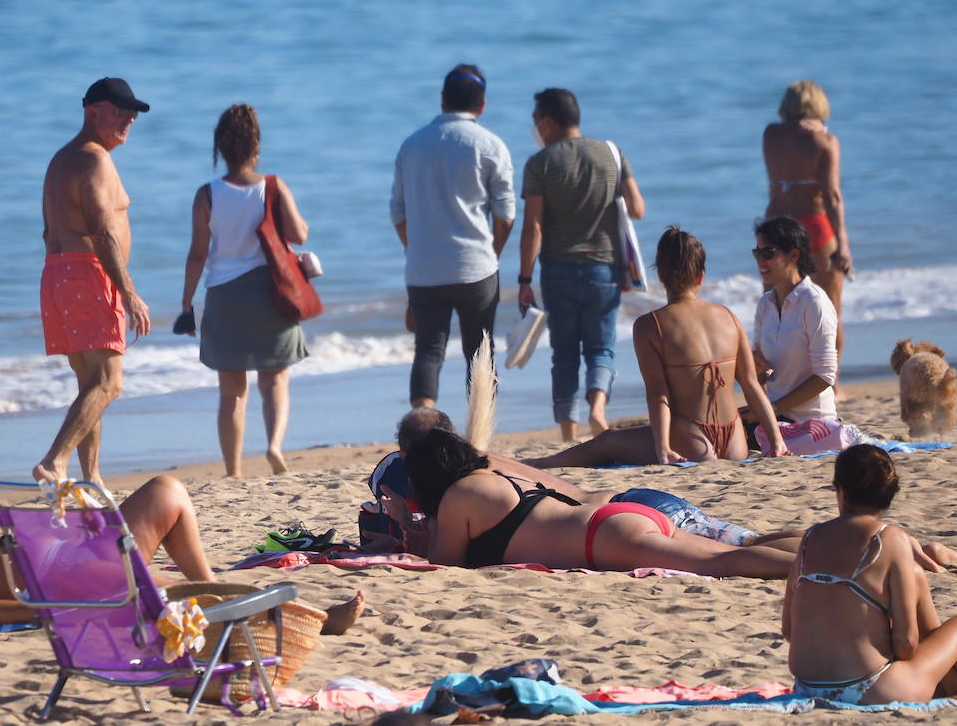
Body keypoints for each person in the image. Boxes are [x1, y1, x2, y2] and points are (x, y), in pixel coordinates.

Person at [0, 473, 367, 634]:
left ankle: (301, 619)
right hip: (69, 580)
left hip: (68, 565)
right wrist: (53, 616)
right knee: (167, 492)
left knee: (184, 558)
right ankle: (302, 619)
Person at [526, 227, 789, 467]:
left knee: (607, 441)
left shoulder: (651, 325)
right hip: (735, 442)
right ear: (700, 276)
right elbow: (752, 385)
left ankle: (538, 465)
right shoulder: (729, 317)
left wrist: (662, 447)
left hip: (691, 439)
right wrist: (776, 441)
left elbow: (658, 394)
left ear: (661, 274)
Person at [399, 426, 795, 577]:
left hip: (604, 539)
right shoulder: (498, 475)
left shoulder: (457, 496)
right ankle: (827, 550)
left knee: (721, 563)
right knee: (737, 548)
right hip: (616, 516)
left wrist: (407, 525)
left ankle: (817, 572)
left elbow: (445, 564)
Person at [33, 77, 153, 487]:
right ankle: (55, 461)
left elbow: (50, 230)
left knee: (90, 385)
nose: (129, 120)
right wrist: (129, 292)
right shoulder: (94, 159)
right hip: (88, 273)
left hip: (59, 275)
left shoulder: (62, 158)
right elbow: (103, 233)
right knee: (109, 382)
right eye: (121, 112)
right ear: (94, 112)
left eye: (133, 115)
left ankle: (93, 478)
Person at [179, 104, 310, 477]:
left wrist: (187, 301)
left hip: (224, 295)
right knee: (275, 379)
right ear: (256, 146)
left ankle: (233, 470)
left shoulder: (207, 194)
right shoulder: (272, 186)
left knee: (231, 390)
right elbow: (299, 234)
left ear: (220, 148)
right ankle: (273, 446)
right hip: (271, 293)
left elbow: (198, 253)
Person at [517, 88, 644, 442]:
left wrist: (525, 278)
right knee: (601, 347)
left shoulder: (540, 164)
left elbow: (533, 226)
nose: (534, 128)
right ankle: (598, 409)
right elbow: (637, 208)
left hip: (558, 269)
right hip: (604, 269)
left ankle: (569, 431)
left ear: (548, 121)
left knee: (565, 353)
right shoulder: (611, 153)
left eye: (534, 120)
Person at [783, 445, 957, 703]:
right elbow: (906, 645)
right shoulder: (890, 538)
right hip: (869, 689)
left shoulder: (811, 537)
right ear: (889, 494)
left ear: (841, 490)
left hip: (806, 687)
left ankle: (947, 680)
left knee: (916, 574)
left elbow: (788, 630)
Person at [389, 64, 516, 409]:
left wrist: (416, 249)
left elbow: (397, 213)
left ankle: (421, 433)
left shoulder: (411, 145)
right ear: (482, 105)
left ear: (442, 100)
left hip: (423, 269)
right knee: (479, 354)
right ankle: (479, 436)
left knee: (428, 351)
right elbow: (505, 215)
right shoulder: (491, 145)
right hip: (476, 265)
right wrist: (494, 252)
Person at [763, 81, 851, 375]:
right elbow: (832, 195)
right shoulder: (825, 142)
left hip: (776, 227)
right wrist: (843, 243)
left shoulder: (770, 135)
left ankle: (775, 381)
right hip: (815, 224)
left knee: (774, 307)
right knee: (829, 308)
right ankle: (831, 384)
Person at [743, 216, 838, 432]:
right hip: (776, 415)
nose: (760, 261)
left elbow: (825, 376)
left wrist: (772, 409)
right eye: (757, 253)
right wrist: (753, 370)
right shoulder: (765, 303)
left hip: (812, 423)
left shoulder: (814, 302)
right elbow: (764, 372)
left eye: (768, 254)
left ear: (793, 255)